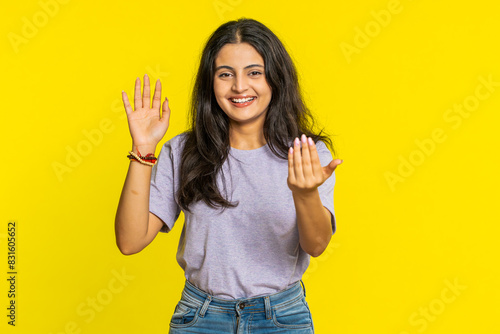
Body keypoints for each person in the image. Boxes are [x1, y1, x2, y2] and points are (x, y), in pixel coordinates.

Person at [115, 17, 343, 333]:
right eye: (225, 74)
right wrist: (142, 150)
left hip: (282, 319)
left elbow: (316, 245)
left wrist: (304, 193)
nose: (239, 86)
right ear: (210, 82)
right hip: (201, 317)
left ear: (275, 79)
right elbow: (129, 241)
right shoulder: (183, 151)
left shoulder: (306, 153)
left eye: (254, 73)